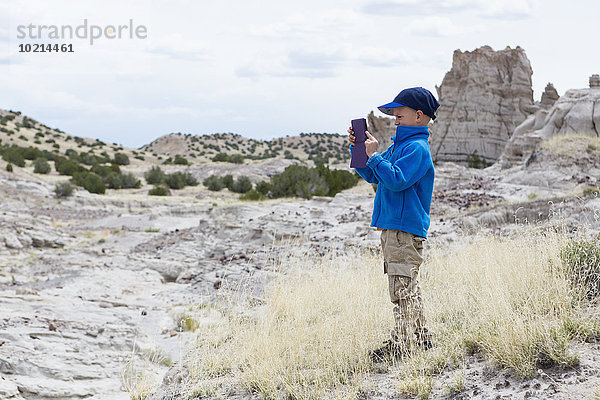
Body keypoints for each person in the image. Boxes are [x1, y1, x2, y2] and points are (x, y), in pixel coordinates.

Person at [347, 87, 440, 361]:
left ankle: (402, 347)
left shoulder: (417, 149)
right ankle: (421, 340)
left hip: (403, 229)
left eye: (399, 115)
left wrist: (375, 157)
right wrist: (359, 151)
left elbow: (397, 179)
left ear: (419, 116)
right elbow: (374, 177)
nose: (395, 119)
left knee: (401, 289)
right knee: (407, 286)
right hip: (395, 228)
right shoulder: (400, 146)